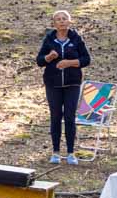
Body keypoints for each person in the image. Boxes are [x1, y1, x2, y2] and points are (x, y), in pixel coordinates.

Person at [36, 10, 91, 165]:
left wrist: (70, 63)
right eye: (58, 19)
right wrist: (49, 57)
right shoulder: (49, 39)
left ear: (69, 21)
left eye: (64, 19)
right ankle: (55, 152)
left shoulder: (76, 39)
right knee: (55, 116)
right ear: (54, 23)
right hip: (52, 84)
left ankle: (71, 153)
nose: (61, 22)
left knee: (69, 117)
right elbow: (39, 61)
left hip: (72, 84)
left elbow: (86, 59)